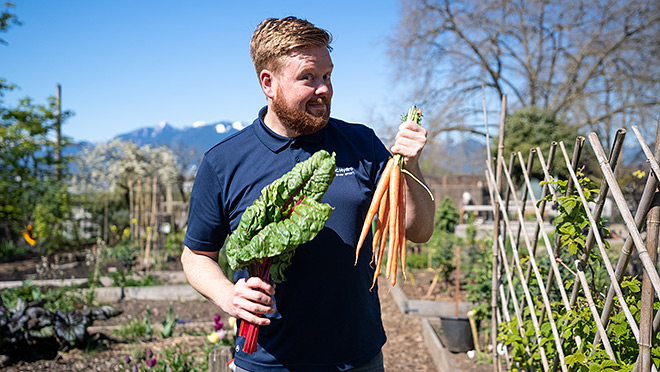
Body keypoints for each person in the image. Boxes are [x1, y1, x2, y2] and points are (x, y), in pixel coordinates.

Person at [181, 16, 435, 372]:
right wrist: (228, 294)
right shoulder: (224, 162)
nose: (324, 89)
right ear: (268, 83)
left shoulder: (361, 143)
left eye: (327, 76)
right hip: (267, 362)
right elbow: (195, 256)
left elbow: (418, 230)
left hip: (358, 360)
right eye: (308, 78)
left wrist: (410, 166)